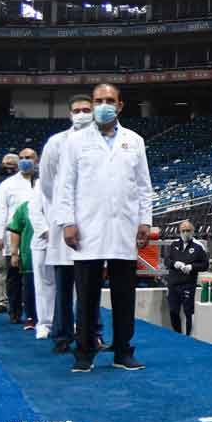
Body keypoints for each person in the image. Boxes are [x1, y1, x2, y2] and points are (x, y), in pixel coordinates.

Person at [54, 83, 153, 373]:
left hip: (124, 227)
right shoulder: (75, 141)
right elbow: (65, 185)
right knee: (86, 296)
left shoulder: (134, 140)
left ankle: (123, 351)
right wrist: (67, 222)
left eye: (110, 100)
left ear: (120, 106)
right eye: (98, 100)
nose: (103, 105)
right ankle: (84, 353)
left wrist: (145, 220)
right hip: (87, 229)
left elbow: (144, 186)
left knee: (125, 295)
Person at [42, 95, 105, 354]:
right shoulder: (56, 142)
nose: (81, 114)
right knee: (64, 283)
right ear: (69, 114)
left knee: (91, 286)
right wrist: (62, 207)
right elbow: (47, 183)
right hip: (65, 222)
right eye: (77, 110)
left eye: (86, 110)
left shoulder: (103, 142)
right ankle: (62, 335)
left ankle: (93, 334)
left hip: (93, 223)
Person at [0, 149, 39, 323]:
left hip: (39, 236)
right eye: (23, 158)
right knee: (14, 275)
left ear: (37, 160)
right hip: (15, 236)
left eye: (29, 158)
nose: (25, 161)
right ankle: (15, 310)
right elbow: (0, 210)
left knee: (37, 276)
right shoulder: (8, 184)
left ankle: (35, 311)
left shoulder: (44, 182)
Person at [162, 220, 207, 335]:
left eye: (188, 230)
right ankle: (177, 334)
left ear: (192, 231)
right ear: (179, 231)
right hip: (173, 284)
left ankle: (188, 336)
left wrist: (192, 267)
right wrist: (175, 264)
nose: (185, 233)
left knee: (188, 312)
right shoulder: (174, 245)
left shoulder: (198, 246)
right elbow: (167, 261)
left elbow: (205, 265)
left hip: (188, 284)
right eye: (183, 231)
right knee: (173, 311)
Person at [0, 153, 19, 311]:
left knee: (18, 268)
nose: (9, 166)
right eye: (6, 163)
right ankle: (1, 300)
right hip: (1, 229)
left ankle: (18, 300)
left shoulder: (29, 184)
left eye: (12, 163)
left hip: (20, 231)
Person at [27, 183, 55, 339]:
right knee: (43, 284)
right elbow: (34, 211)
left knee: (68, 285)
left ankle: (66, 320)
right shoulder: (41, 184)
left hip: (67, 241)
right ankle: (44, 323)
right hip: (43, 241)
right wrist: (46, 232)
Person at [7, 195, 39, 332]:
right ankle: (31, 317)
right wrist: (14, 253)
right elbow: (15, 230)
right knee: (30, 288)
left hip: (52, 256)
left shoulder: (56, 204)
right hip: (29, 254)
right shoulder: (25, 207)